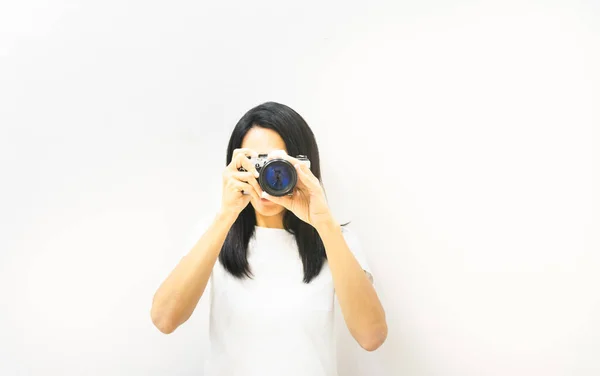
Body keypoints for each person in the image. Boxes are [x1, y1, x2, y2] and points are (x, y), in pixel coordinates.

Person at [150, 101, 387, 376]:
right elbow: (164, 319)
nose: (267, 176)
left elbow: (371, 337)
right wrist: (226, 215)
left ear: (304, 165)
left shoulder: (336, 239)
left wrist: (323, 222)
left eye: (279, 163)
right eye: (256, 162)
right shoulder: (214, 232)